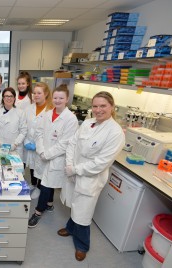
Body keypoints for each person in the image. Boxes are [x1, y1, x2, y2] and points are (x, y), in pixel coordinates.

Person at [57, 91, 125, 262]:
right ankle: (71, 228)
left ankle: (82, 245)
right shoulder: (88, 123)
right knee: (74, 203)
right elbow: (73, 143)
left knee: (83, 212)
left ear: (112, 107)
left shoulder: (115, 133)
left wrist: (76, 169)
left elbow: (101, 163)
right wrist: (70, 165)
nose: (98, 110)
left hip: (90, 178)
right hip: (75, 171)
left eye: (103, 106)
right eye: (95, 106)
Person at [27, 84, 78, 228]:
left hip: (56, 157)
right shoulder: (48, 113)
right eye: (55, 97)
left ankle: (38, 212)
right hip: (43, 154)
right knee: (45, 181)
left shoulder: (70, 119)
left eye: (61, 98)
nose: (57, 100)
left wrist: (47, 154)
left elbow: (65, 143)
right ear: (52, 98)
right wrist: (42, 151)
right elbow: (39, 133)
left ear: (67, 99)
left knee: (45, 185)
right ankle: (49, 204)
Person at [22, 82, 53, 200]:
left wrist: (39, 145)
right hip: (29, 143)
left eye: (39, 93)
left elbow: (49, 131)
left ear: (45, 94)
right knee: (31, 165)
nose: (36, 95)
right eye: (34, 93)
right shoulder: (29, 108)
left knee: (40, 167)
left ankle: (39, 187)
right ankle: (33, 184)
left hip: (42, 145)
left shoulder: (50, 110)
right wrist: (26, 141)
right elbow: (24, 125)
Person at [0, 87, 27, 159]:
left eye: (11, 96)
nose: (9, 98)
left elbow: (23, 131)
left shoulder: (20, 112)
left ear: (14, 98)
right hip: (0, 148)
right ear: (3, 98)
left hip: (16, 149)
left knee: (15, 168)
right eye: (6, 96)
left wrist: (15, 144)